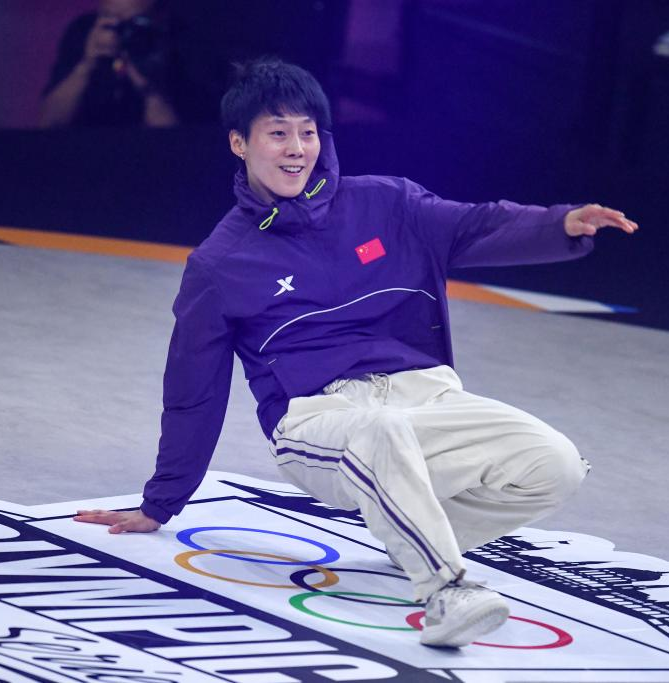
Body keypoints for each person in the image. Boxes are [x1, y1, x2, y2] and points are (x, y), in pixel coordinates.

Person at [74, 59, 638, 648]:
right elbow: (194, 391)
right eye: (278, 133)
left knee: (554, 462)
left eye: (307, 132)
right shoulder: (220, 263)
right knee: (381, 432)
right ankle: (448, 591)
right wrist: (161, 502)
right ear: (239, 144)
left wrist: (561, 224)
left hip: (426, 395)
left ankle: (413, 533)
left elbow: (476, 226)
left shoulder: (388, 205)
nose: (297, 149)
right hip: (319, 419)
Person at [39, 0, 178, 129]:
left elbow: (174, 139)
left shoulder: (178, 41)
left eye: (135, 22)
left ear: (161, 17)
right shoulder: (86, 31)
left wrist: (150, 90)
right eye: (110, 17)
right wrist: (86, 65)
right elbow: (49, 124)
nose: (122, 32)